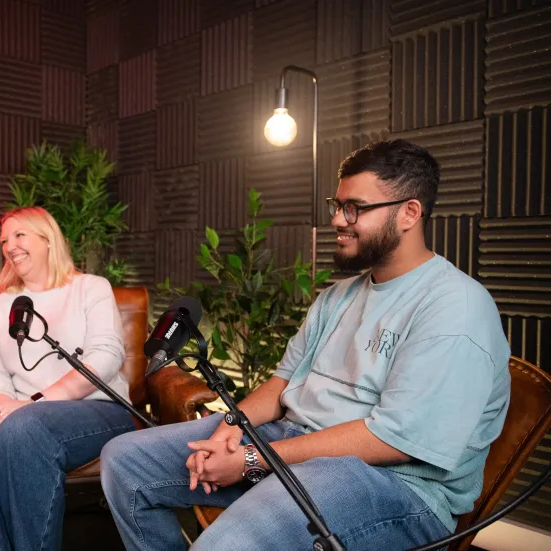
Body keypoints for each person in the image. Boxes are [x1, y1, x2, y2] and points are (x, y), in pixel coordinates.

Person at [100, 139, 511, 551]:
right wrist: (230, 428)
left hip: (394, 485)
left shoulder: (455, 307)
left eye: (355, 208)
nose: (337, 219)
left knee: (225, 545)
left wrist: (250, 460)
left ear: (409, 212)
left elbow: (391, 440)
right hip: (293, 442)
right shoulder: (338, 296)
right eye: (337, 204)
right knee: (125, 462)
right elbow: (282, 384)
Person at [0, 206, 137, 551]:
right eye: (4, 240)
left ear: (48, 240)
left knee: (23, 431)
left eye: (20, 235)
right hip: (20, 414)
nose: (10, 246)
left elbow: (105, 358)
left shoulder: (91, 288)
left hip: (96, 410)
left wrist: (33, 405)